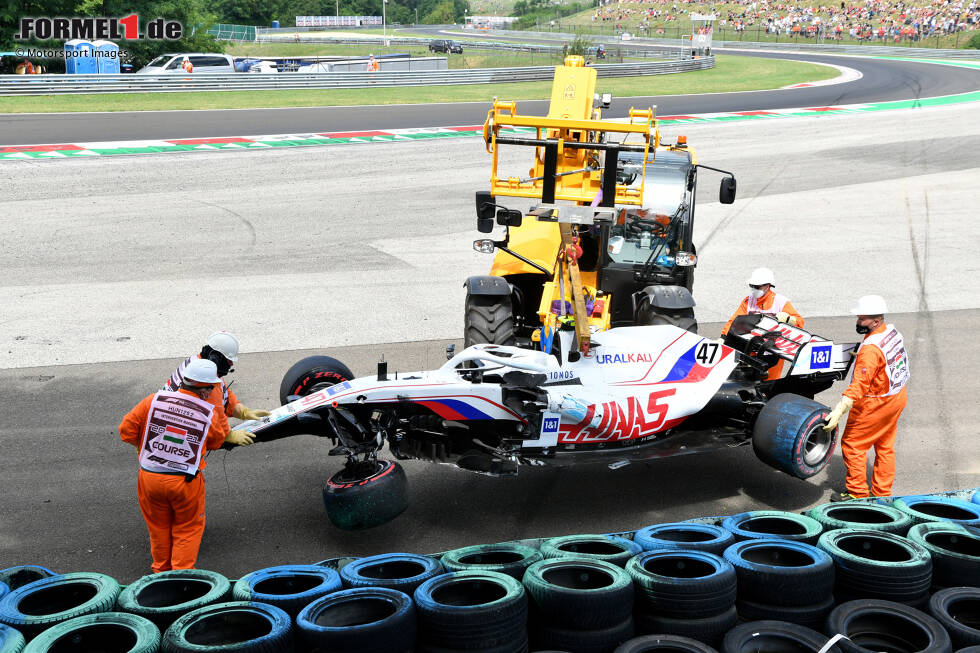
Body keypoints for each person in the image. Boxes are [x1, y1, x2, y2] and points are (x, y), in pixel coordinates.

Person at [120, 358, 255, 572]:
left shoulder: (153, 400)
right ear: (205, 390)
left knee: (158, 528)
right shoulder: (208, 412)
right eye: (211, 389)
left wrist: (142, 446)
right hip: (184, 482)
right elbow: (217, 441)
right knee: (187, 529)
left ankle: (160, 576)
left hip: (149, 478)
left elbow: (125, 431)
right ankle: (182, 579)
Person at [823, 295, 909, 501]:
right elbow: (886, 359)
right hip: (896, 397)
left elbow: (859, 385)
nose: (858, 322)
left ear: (876, 321)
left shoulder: (870, 350)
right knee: (885, 446)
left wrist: (839, 409)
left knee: (853, 444)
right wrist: (861, 355)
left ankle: (857, 494)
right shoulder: (890, 332)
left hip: (875, 404)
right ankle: (882, 494)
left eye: (862, 319)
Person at [165, 331, 270, 425]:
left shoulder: (198, 363)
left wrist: (242, 411)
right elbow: (215, 425)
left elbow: (224, 391)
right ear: (216, 358)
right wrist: (229, 435)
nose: (231, 363)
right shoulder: (205, 380)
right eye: (229, 360)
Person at [720, 267, 804, 336]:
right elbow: (734, 321)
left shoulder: (781, 302)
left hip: (775, 345)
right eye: (751, 286)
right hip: (752, 344)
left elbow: (800, 322)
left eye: (757, 286)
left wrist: (789, 319)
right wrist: (723, 337)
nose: (753, 289)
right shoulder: (747, 302)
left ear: (767, 286)